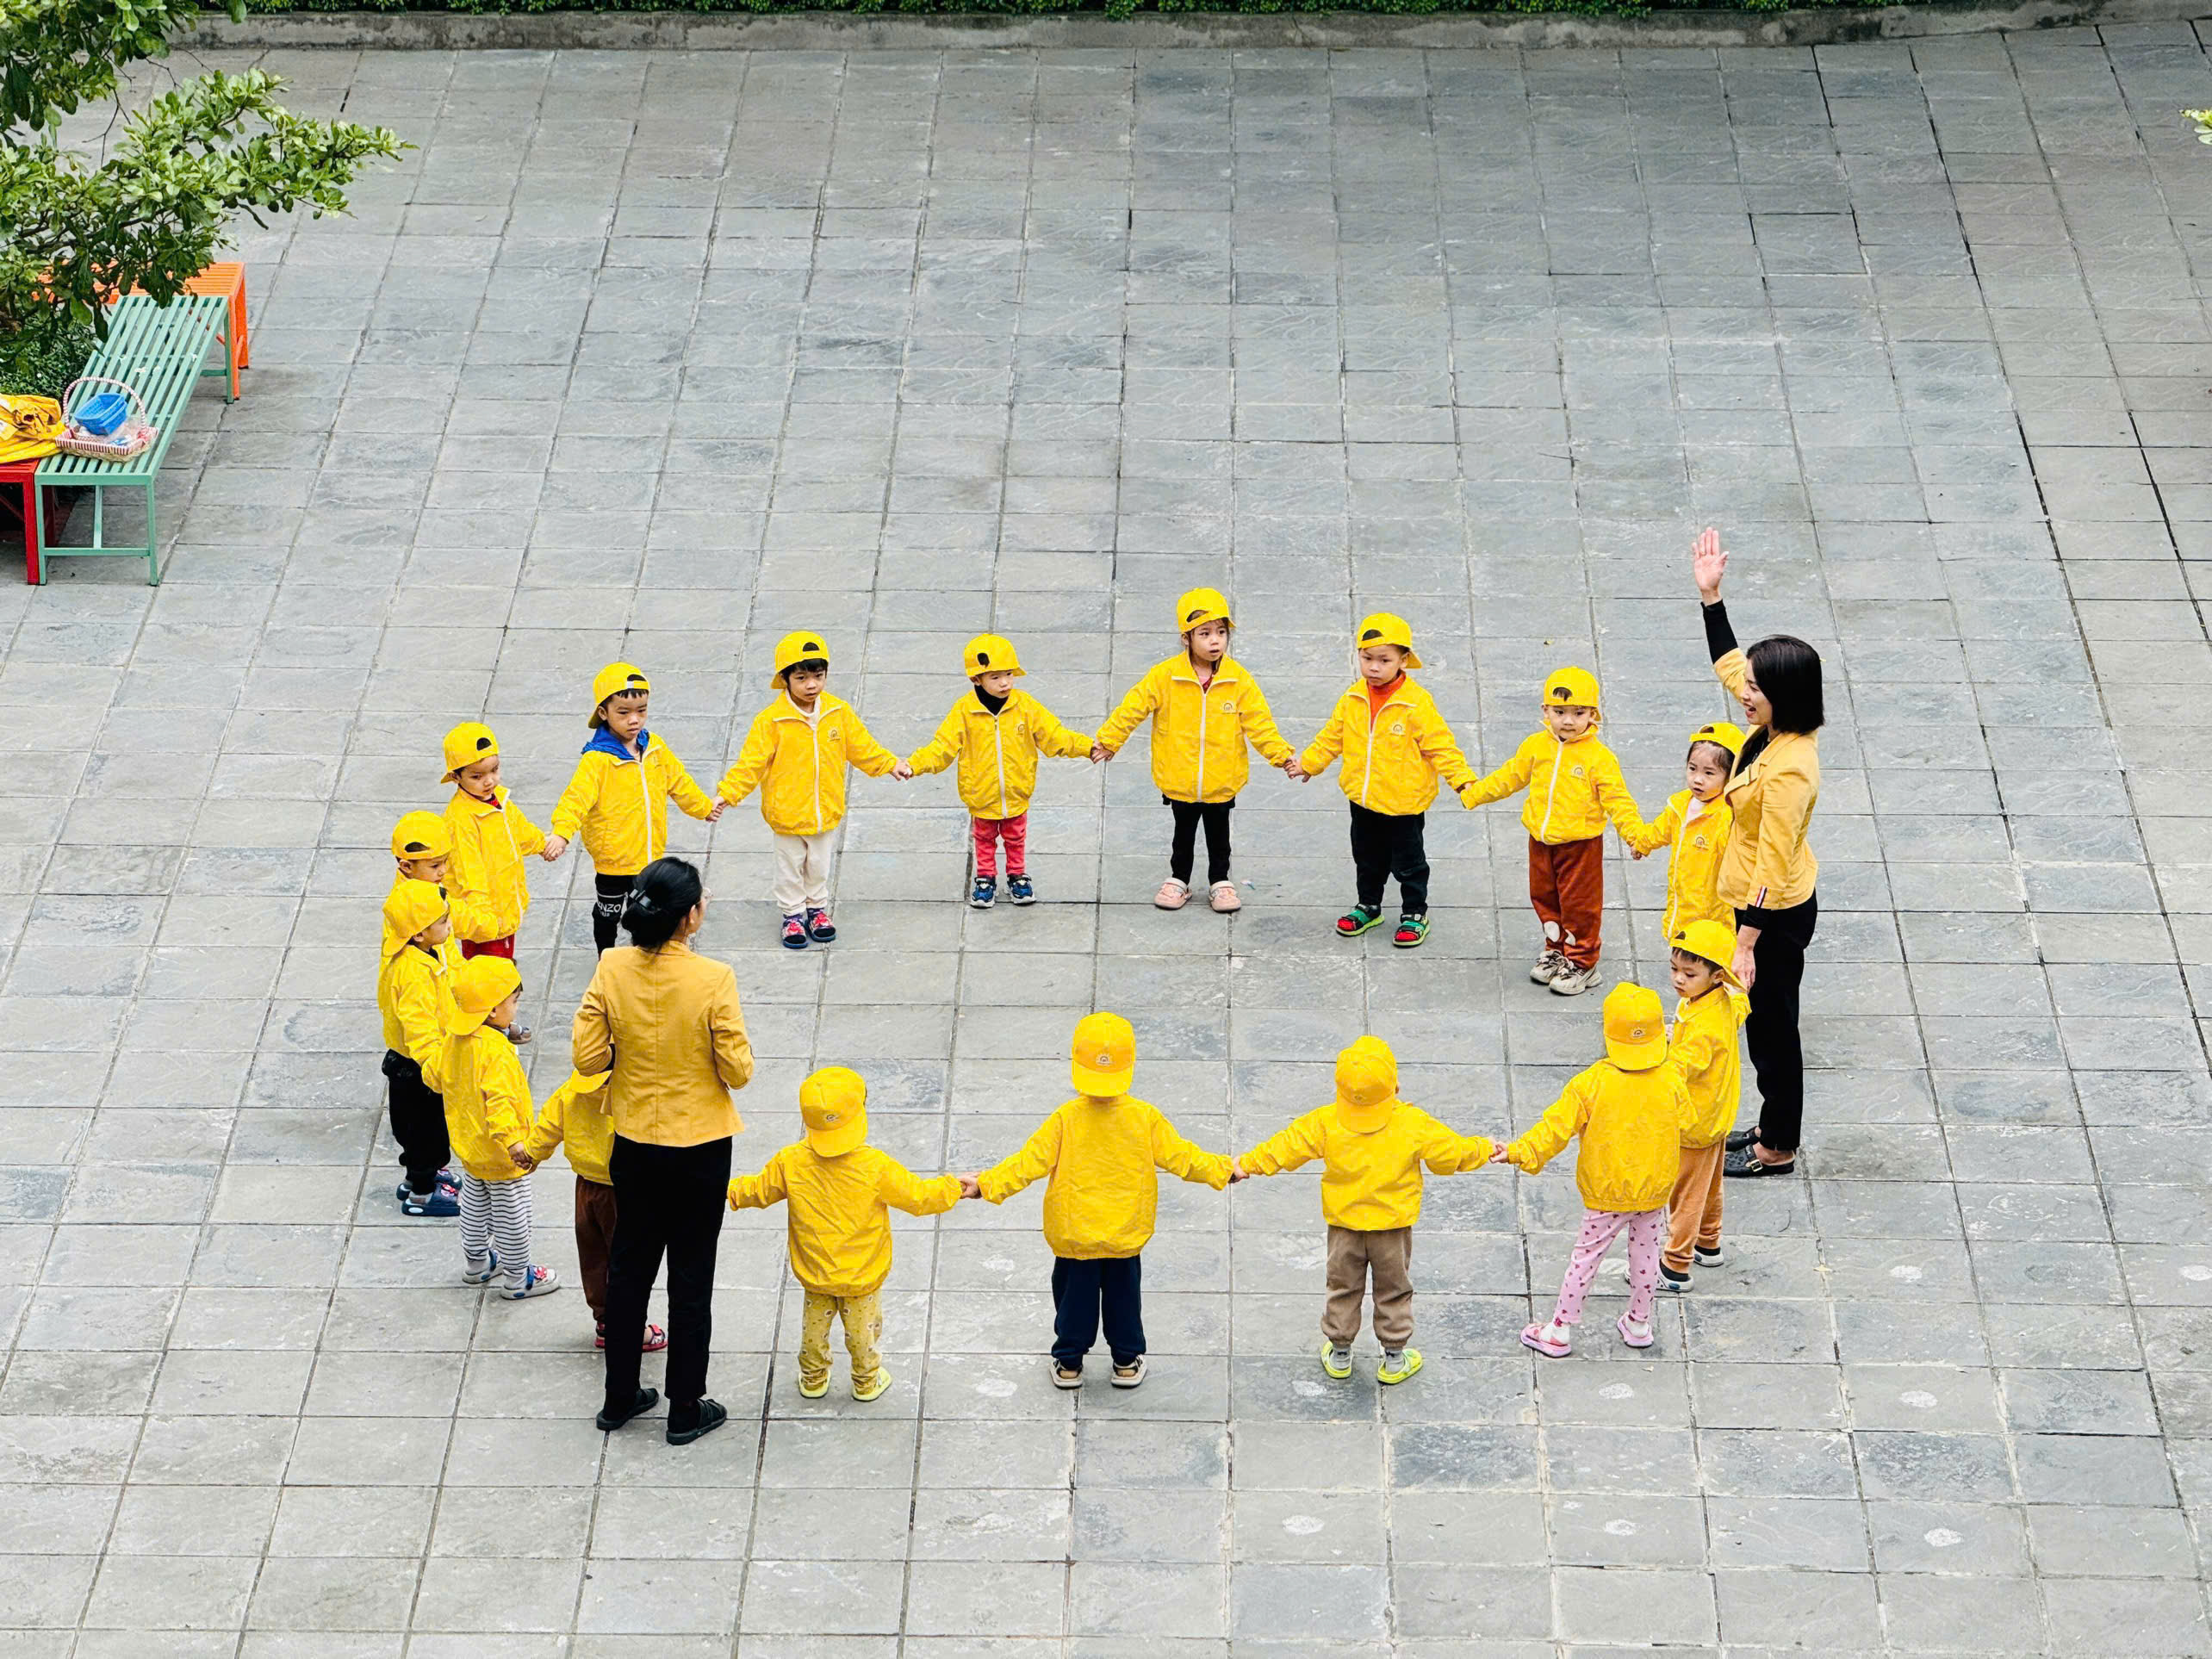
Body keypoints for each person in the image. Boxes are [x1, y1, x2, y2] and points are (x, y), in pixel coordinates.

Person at [574, 856, 755, 1445]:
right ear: (690, 917)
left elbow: (587, 1058)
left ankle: (619, 1396)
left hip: (634, 1140)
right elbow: (738, 1070)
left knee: (629, 1268)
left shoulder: (611, 967)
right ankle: (684, 1406)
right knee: (691, 1276)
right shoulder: (713, 979)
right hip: (700, 1146)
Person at [968, 1011, 1239, 1389]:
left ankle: (1069, 1365)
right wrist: (1223, 1170)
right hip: (1124, 1233)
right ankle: (1126, 1363)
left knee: (1073, 1302)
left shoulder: (1065, 1119)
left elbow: (1027, 1163)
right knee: (1124, 1301)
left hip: (1074, 1235)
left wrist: (985, 1185)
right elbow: (1183, 1157)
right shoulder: (1144, 1118)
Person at [1233, 1036, 1493, 1386]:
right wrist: (1484, 1148)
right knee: (1394, 1289)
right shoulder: (1412, 1123)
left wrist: (1247, 1164)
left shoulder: (1326, 1121)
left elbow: (1286, 1146)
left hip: (1344, 1228)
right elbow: (1451, 1154)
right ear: (1395, 1086)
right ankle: (1395, 1358)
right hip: (1393, 1230)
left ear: (1340, 1090)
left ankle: (1340, 1352)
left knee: (1342, 1286)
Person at [1691, 528, 1824, 1179]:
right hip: (1755, 902)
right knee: (1764, 1026)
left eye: (1755, 690)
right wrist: (1712, 598)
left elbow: (1774, 861)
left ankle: (1779, 1146)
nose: (1743, 694)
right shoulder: (1770, 728)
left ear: (1785, 697)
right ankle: (1772, 1125)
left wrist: (1745, 942)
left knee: (1773, 1032)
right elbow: (1728, 663)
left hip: (1773, 913)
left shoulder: (1792, 767)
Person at [728, 1066, 964, 1401]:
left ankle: (813, 1379)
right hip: (861, 1276)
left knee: (813, 1332)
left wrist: (726, 1190)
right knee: (863, 1334)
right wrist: (956, 1188)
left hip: (816, 1273)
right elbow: (919, 1197)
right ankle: (866, 1382)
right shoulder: (875, 1166)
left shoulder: (790, 1161)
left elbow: (758, 1190)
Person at [1496, 983, 1692, 1358]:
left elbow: (1554, 1130)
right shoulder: (1671, 1079)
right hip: (1653, 1190)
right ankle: (1639, 1323)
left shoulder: (1590, 1083)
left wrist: (1519, 1151)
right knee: (1646, 1257)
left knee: (1586, 1258)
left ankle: (1559, 1330)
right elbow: (1689, 1121)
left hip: (1606, 1192)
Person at [1092, 587, 1297, 915]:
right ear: (1186, 638)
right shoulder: (1165, 676)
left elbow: (1260, 724)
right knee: (1183, 833)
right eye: (1205, 633)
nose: (1215, 641)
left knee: (1219, 835)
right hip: (1180, 776)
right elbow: (1133, 708)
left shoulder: (1238, 680)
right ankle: (1179, 879)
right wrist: (1109, 740)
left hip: (1222, 777)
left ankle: (1220, 881)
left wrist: (1281, 755)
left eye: (1221, 632)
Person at [1294, 612, 1478, 949]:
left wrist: (1463, 781)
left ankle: (1415, 912)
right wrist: (1309, 764)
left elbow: (1441, 747)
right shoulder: (1353, 698)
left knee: (1409, 863)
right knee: (1366, 857)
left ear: (1403, 660)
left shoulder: (1415, 703)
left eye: (1384, 660)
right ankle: (1369, 905)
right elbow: (1332, 736)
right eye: (1367, 659)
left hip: (1403, 803)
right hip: (1363, 799)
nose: (1374, 667)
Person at [717, 630, 910, 950]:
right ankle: (792, 914)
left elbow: (862, 747)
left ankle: (817, 909)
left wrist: (889, 764)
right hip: (787, 813)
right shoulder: (772, 721)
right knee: (789, 867)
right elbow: (751, 764)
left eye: (818, 677)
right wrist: (727, 793)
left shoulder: (837, 712)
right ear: (785, 679)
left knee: (819, 866)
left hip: (825, 810)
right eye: (802, 678)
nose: (811, 685)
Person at [1460, 665, 1646, 995]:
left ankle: (1584, 962)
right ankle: (1557, 949)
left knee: (1579, 905)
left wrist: (1635, 835)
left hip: (1580, 846)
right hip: (1541, 841)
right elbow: (1510, 777)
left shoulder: (1598, 758)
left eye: (1579, 713)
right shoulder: (1536, 746)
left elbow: (1619, 800)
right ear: (1545, 710)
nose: (1568, 721)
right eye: (1560, 712)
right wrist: (1476, 793)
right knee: (1545, 898)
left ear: (1594, 714)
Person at [906, 634, 1093, 910]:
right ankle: (985, 878)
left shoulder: (1025, 706)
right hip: (981, 793)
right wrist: (915, 764)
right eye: (995, 677)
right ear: (976, 679)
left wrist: (1088, 747)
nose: (1005, 682)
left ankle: (1017, 875)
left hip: (1017, 791)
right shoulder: (964, 712)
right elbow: (942, 748)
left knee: (1016, 836)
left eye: (1009, 674)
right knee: (983, 837)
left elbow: (1055, 736)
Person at [549, 663, 721, 955]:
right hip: (613, 860)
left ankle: (642, 958)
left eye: (641, 710)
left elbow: (679, 781)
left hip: (649, 857)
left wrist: (703, 807)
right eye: (624, 712)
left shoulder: (654, 748)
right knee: (608, 914)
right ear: (603, 713)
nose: (634, 719)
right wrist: (561, 834)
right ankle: (606, 959)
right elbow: (575, 800)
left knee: (647, 912)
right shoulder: (597, 760)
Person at [440, 954, 560, 1300]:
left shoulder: (454, 1039)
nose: (516, 1008)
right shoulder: (496, 1052)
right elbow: (501, 1102)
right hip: (501, 1153)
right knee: (512, 1214)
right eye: (514, 1001)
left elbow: (436, 1075)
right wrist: (513, 1142)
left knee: (474, 1203)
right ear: (493, 1010)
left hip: (470, 1145)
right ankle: (518, 1277)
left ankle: (477, 1264)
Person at [524, 1066, 667, 1353]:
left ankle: (604, 1321)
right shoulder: (628, 1094)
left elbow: (549, 1126)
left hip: (585, 1186)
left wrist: (531, 1154)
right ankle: (631, 1328)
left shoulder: (571, 1090)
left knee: (594, 1257)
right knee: (627, 1262)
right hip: (622, 1191)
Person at [1659, 920, 1751, 1292]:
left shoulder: (1703, 1026)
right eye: (1674, 969)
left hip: (1694, 1120)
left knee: (1685, 1194)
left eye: (1689, 973)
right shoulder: (1722, 999)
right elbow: (1741, 1001)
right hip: (1717, 1113)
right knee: (1709, 1184)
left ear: (1716, 976)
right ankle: (1708, 1242)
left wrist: (1657, 1054)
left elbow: (1682, 1066)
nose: (1679, 979)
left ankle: (1675, 1265)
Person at [440, 720, 555, 999]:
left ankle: (499, 1012)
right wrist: (484, 920)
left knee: (502, 970)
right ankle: (490, 1017)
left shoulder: (499, 801)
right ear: (456, 777)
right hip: (484, 919)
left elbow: (520, 831)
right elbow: (469, 873)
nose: (489, 781)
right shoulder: (460, 819)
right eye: (477, 776)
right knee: (487, 978)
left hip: (503, 909)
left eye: (494, 770)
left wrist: (543, 844)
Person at [376, 878, 458, 1217]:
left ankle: (421, 1175)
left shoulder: (421, 955)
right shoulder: (414, 973)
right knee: (424, 1130)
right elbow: (419, 1024)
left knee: (422, 1128)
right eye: (443, 921)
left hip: (415, 1061)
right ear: (420, 933)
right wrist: (435, 1066)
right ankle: (422, 1194)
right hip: (419, 1065)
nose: (450, 925)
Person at [1625, 721, 1745, 941]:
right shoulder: (1680, 805)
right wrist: (1642, 844)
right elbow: (1661, 830)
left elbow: (1736, 859)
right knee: (1680, 943)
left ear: (1730, 776)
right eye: (1692, 768)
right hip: (1681, 903)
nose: (1697, 779)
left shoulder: (1726, 816)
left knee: (1706, 952)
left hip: (1712, 910)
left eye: (1709, 773)